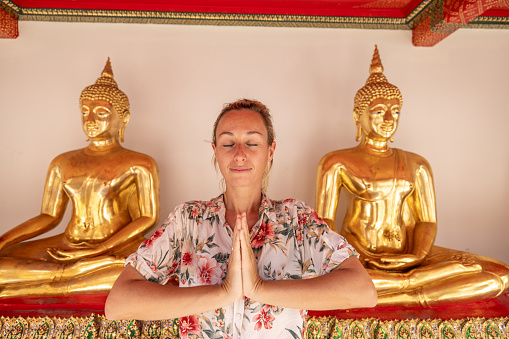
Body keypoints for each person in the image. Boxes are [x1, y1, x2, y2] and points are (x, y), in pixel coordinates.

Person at [105, 99, 377, 338]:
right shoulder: (187, 221)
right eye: (228, 143)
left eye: (252, 142)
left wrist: (258, 288)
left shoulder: (297, 220)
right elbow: (118, 304)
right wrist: (224, 292)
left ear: (270, 151)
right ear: (215, 151)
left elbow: (363, 291)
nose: (239, 154)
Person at [315, 45, 509, 307]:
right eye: (379, 110)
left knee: (500, 275)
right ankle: (412, 289)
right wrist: (355, 256)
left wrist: (416, 256)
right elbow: (324, 222)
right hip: (359, 259)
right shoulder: (336, 161)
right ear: (357, 116)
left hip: (411, 255)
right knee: (325, 277)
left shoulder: (416, 164)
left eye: (395, 111)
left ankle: (400, 289)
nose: (388, 118)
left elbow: (427, 222)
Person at [0, 58, 160, 298]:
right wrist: (3, 240)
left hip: (116, 247)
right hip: (67, 244)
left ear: (124, 118)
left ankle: (54, 280)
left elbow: (148, 217)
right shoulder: (63, 162)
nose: (90, 120)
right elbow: (49, 217)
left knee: (144, 270)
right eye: (84, 112)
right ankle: (74, 274)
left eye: (101, 113)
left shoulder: (140, 163)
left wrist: (99, 249)